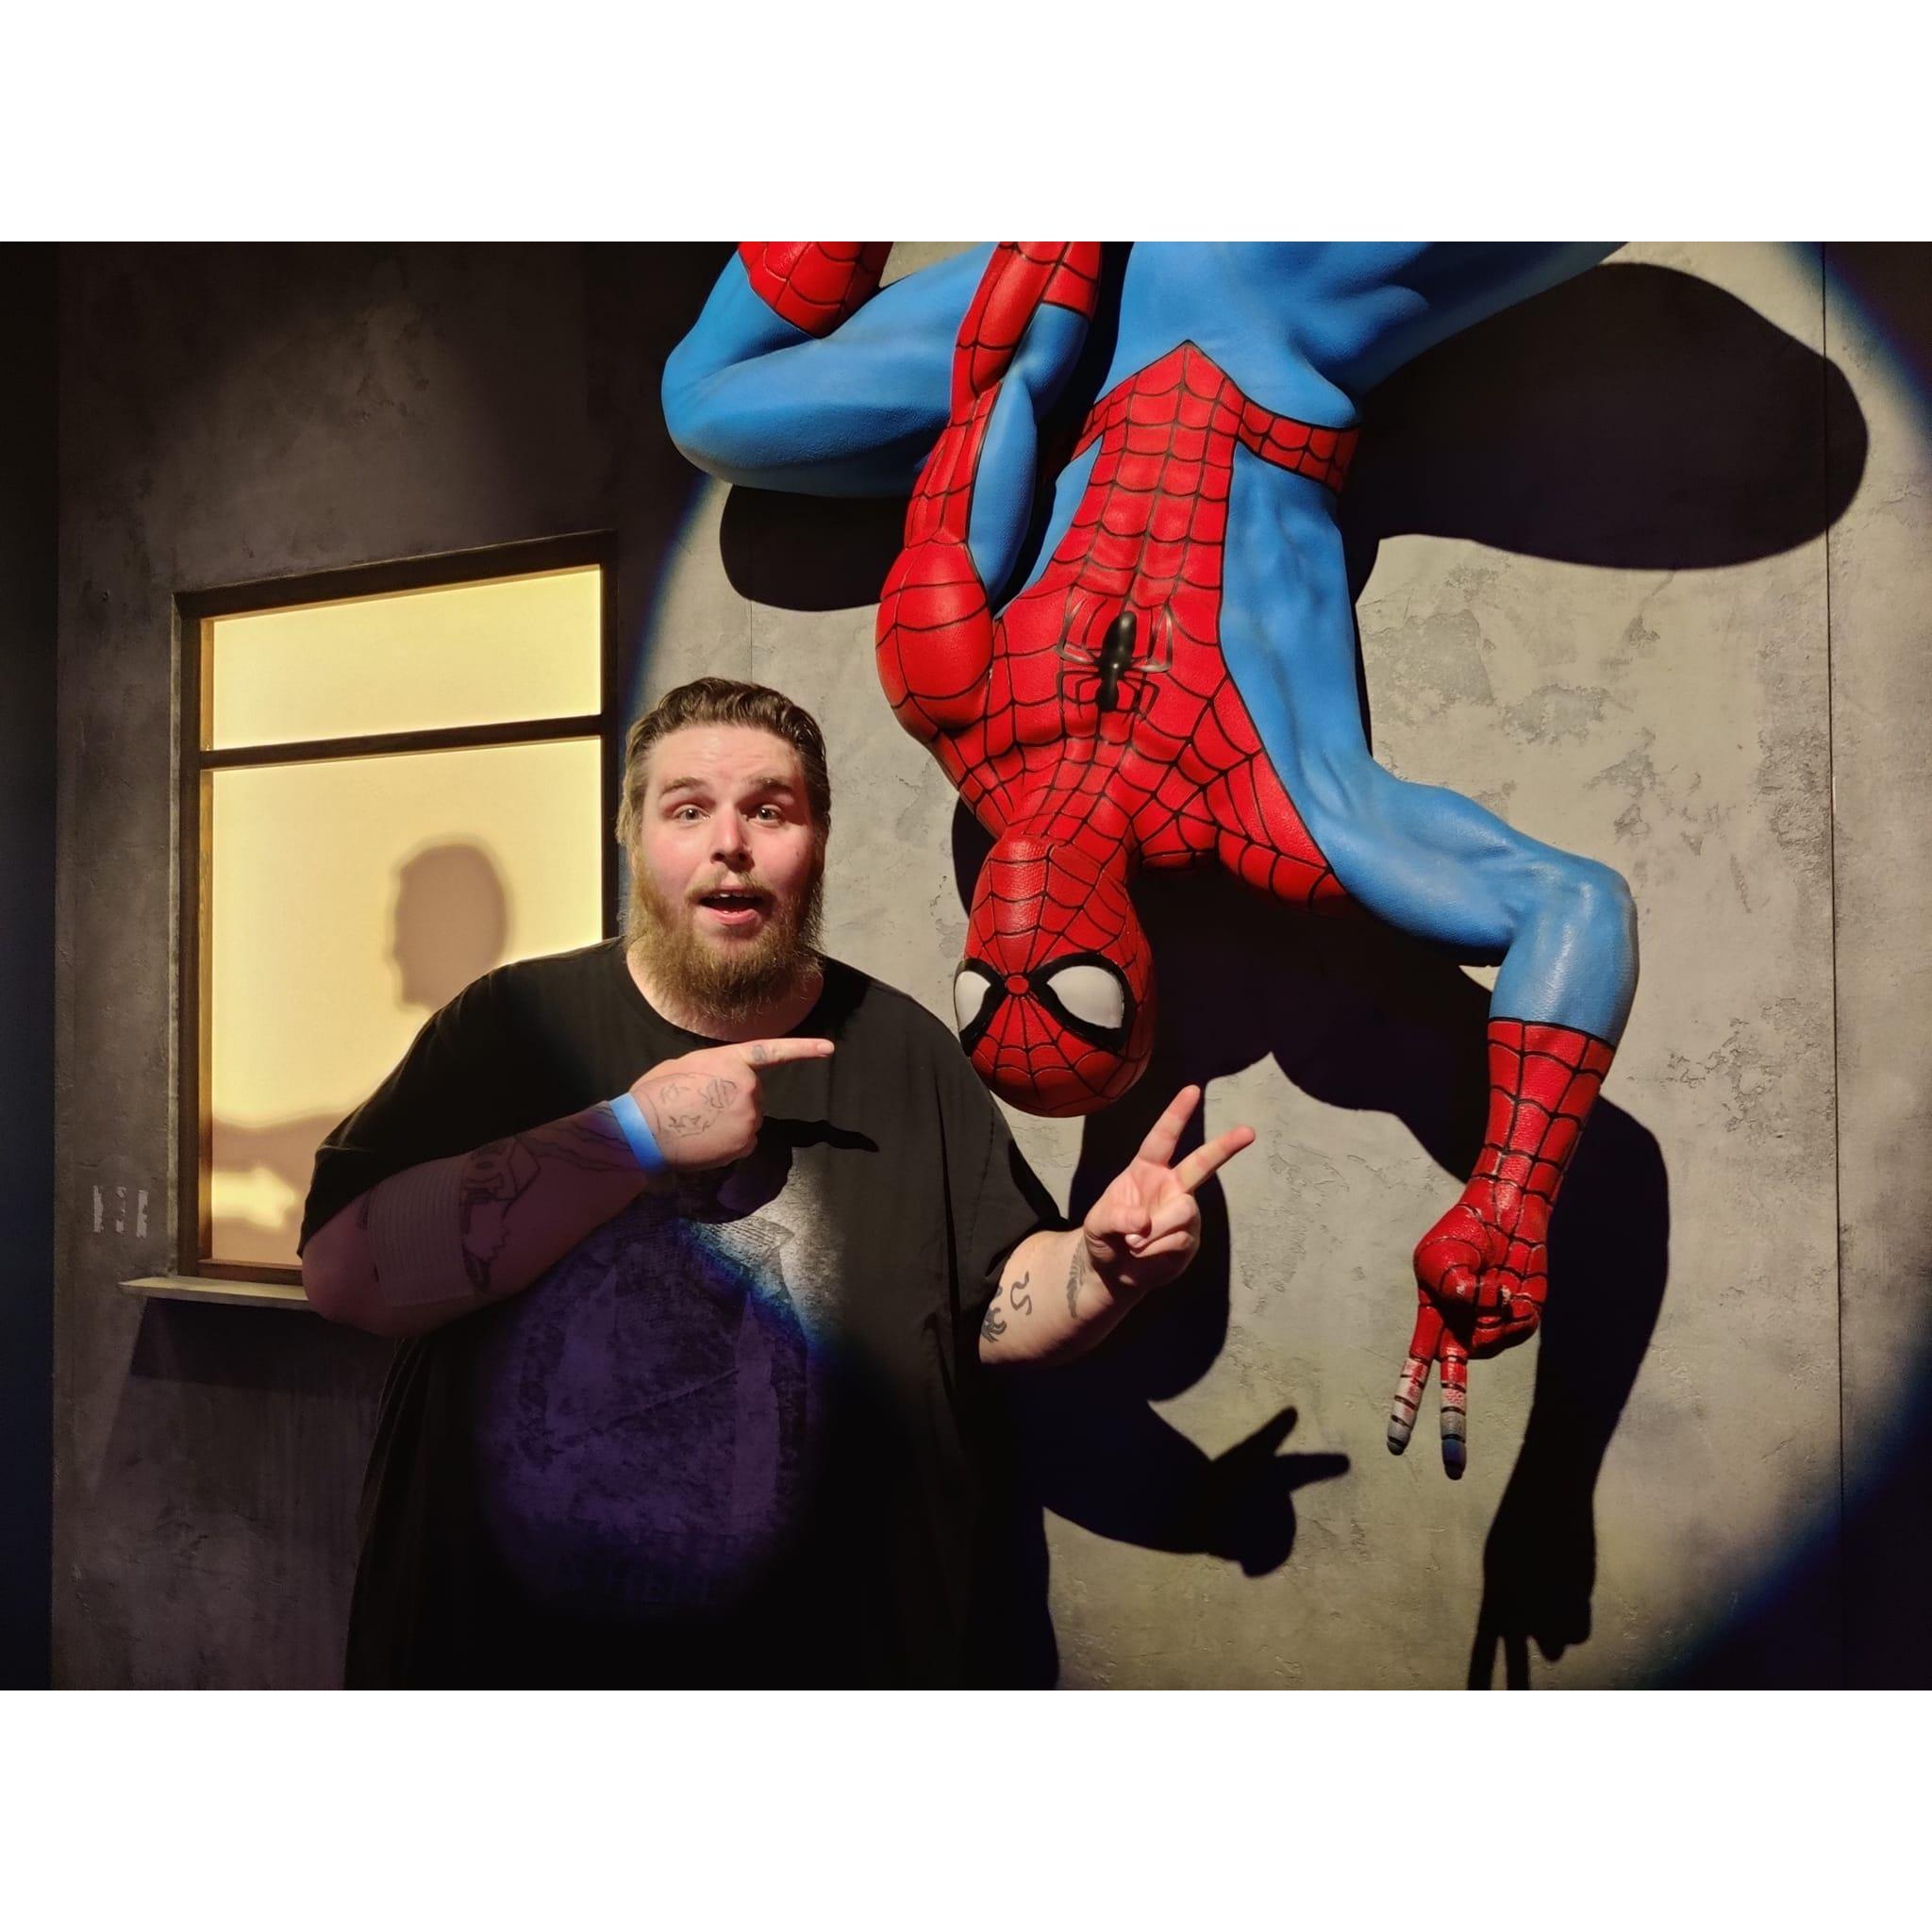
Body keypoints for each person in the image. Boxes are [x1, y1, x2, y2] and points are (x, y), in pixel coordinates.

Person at [664, 243, 1640, 1476]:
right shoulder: (1281, 821)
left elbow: (1002, 393)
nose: (1021, 946)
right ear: (1127, 967)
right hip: (1277, 328)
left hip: (1087, 336)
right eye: (1066, 992)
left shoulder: (951, 701)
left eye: (985, 992)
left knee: (709, 407)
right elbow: (1572, 904)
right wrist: (1508, 1198)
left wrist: (1064, 237)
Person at [300, 675, 1251, 1688]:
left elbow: (989, 1304)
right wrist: (631, 1135)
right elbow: (346, 1273)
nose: (730, 843)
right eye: (687, 810)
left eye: (769, 809)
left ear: (817, 842)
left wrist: (1102, 1270)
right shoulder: (507, 1027)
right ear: (633, 838)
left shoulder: (905, 1053)